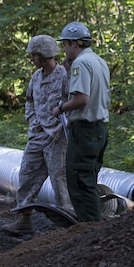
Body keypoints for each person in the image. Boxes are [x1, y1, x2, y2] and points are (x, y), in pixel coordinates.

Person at [1, 35, 71, 236]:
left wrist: (60, 126)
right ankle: (24, 220)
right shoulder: (36, 77)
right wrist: (31, 119)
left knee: (59, 179)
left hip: (57, 137)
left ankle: (66, 225)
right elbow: (29, 100)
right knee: (26, 175)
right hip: (37, 135)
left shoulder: (64, 75)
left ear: (45, 55)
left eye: (34, 55)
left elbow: (73, 103)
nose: (31, 58)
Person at [51, 21, 110, 222]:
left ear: (74, 44)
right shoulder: (98, 61)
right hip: (99, 129)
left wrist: (60, 109)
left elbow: (82, 98)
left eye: (65, 45)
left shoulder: (81, 63)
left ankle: (90, 231)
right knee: (88, 181)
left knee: (79, 183)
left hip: (85, 132)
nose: (64, 49)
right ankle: (94, 228)